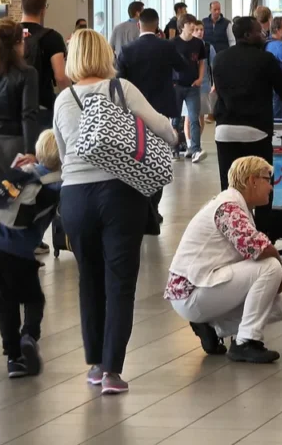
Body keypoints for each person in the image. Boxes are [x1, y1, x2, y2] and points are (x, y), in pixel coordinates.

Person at [52, 29, 178, 395]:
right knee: (120, 282)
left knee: (88, 279)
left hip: (75, 197)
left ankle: (93, 363)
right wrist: (171, 134)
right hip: (120, 194)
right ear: (106, 54)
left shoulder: (64, 100)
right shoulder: (121, 90)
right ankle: (112, 371)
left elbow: (61, 153)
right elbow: (161, 128)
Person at [166, 155, 282, 363]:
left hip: (203, 287)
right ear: (252, 181)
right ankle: (246, 342)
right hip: (190, 292)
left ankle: (213, 329)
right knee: (269, 266)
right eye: (267, 180)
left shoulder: (235, 205)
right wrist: (278, 268)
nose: (271, 187)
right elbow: (258, 247)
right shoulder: (229, 207)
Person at [0, 129, 60, 379]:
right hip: (20, 254)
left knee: (3, 304)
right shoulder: (57, 186)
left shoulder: (22, 171)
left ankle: (14, 358)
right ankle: (28, 335)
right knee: (34, 300)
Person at [0, 19, 42, 280]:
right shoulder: (28, 74)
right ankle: (12, 254)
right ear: (16, 44)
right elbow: (29, 115)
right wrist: (30, 151)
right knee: (16, 200)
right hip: (15, 144)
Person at [117, 8, 191, 227]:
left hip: (134, 114)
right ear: (157, 25)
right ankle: (153, 209)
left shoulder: (127, 50)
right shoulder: (166, 47)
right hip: (160, 112)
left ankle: (138, 207)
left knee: (137, 159)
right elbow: (183, 68)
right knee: (158, 160)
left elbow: (119, 81)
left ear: (139, 25)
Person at [211, 17, 282, 195]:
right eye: (258, 32)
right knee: (263, 186)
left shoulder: (219, 59)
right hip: (256, 131)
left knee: (230, 186)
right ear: (246, 35)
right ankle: (262, 222)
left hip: (224, 130)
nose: (262, 35)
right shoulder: (265, 59)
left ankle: (232, 220)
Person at [20, 0, 71, 129]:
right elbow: (60, 77)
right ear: (44, 9)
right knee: (43, 150)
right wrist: (71, 99)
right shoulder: (52, 37)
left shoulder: (7, 34)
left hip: (12, 107)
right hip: (41, 106)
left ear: (21, 6)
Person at [171, 15, 208, 163]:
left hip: (193, 86)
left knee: (194, 118)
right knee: (175, 119)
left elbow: (201, 62)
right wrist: (170, 81)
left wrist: (200, 78)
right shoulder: (173, 43)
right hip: (177, 85)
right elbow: (167, 63)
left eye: (193, 23)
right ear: (182, 26)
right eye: (189, 23)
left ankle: (195, 149)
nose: (192, 26)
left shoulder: (198, 43)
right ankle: (173, 148)